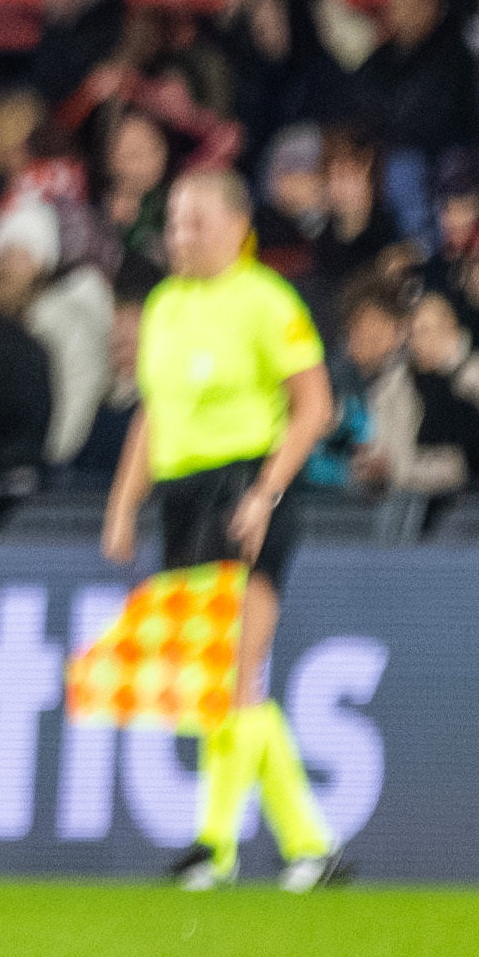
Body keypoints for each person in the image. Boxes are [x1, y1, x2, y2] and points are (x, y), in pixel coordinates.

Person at [99, 167, 344, 889]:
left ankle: (216, 845)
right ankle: (310, 846)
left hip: (245, 486)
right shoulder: (166, 306)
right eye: (173, 221)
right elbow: (153, 413)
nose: (180, 235)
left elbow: (314, 407)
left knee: (235, 667)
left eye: (195, 220)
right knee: (220, 677)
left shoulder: (267, 302)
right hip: (181, 494)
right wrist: (122, 504)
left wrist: (266, 491)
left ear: (238, 226)